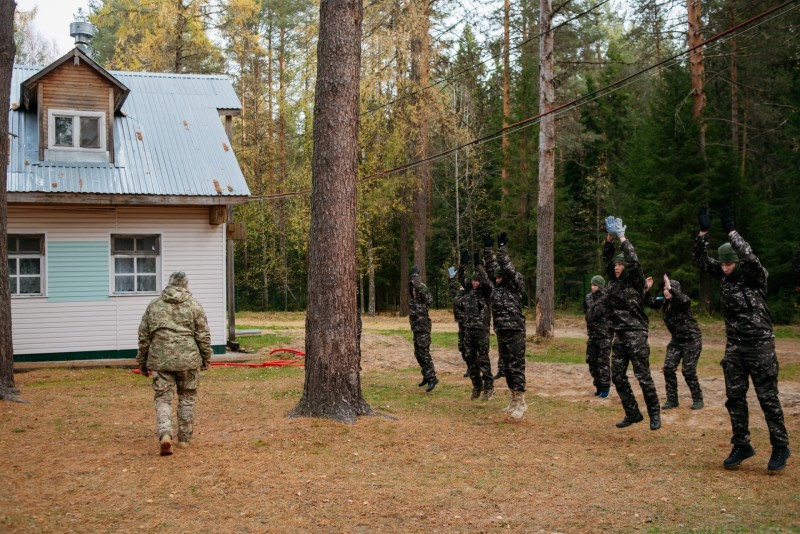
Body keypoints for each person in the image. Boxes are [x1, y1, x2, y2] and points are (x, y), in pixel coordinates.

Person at [694, 206, 790, 472]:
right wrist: (703, 233)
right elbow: (702, 261)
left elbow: (750, 256)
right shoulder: (724, 277)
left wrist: (732, 232)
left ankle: (780, 446)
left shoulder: (755, 277)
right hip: (735, 348)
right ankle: (742, 444)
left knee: (767, 398)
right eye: (723, 263)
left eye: (729, 263)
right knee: (734, 398)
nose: (724, 268)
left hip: (760, 346)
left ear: (737, 262)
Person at [136, 272, 212, 456]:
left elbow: (144, 336)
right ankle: (184, 439)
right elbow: (203, 335)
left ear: (169, 285)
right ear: (185, 285)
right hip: (188, 359)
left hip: (160, 359)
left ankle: (165, 434)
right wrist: (205, 358)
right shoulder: (194, 306)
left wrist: (142, 361)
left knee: (163, 398)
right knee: (187, 398)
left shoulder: (154, 306)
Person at [602, 216, 661, 430]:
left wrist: (622, 238)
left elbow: (634, 262)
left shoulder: (636, 281)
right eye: (616, 265)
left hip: (636, 333)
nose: (617, 267)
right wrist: (609, 239)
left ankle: (654, 414)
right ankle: (633, 413)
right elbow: (606, 260)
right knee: (617, 376)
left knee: (642, 376)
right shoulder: (613, 281)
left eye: (620, 264)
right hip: (620, 334)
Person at [484, 232, 528, 419]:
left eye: (500, 277)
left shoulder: (516, 285)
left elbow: (506, 268)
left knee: (516, 366)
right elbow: (492, 268)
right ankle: (514, 399)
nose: (497, 278)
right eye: (497, 277)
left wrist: (502, 249)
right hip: (501, 330)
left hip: (515, 330)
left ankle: (522, 401)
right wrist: (488, 250)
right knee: (507, 367)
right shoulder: (497, 288)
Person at [644, 274, 704, 411]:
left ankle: (698, 399)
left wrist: (671, 288)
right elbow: (649, 302)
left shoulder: (682, 302)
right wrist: (646, 289)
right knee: (668, 368)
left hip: (692, 340)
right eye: (664, 289)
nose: (665, 291)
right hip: (676, 341)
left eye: (668, 289)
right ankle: (672, 400)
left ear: (675, 290)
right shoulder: (663, 301)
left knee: (688, 371)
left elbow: (684, 300)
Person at [457, 251, 494, 401]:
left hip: (481, 330)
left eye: (476, 281)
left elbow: (486, 280)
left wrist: (479, 265)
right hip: (469, 329)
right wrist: (462, 265)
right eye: (473, 281)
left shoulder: (486, 291)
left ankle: (489, 387)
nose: (474, 283)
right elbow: (461, 278)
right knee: (470, 358)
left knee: (483, 359)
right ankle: (477, 385)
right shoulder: (470, 290)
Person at [409, 265, 438, 392]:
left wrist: (416, 277)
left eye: (416, 291)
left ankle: (432, 378)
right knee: (418, 353)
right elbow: (412, 287)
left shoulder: (424, 299)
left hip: (423, 329)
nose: (414, 292)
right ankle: (426, 375)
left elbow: (420, 289)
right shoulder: (414, 300)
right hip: (416, 329)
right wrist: (412, 279)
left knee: (424, 354)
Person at [584, 275, 613, 398]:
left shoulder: (606, 297)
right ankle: (598, 386)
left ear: (600, 286)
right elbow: (587, 313)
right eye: (592, 284)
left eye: (595, 285)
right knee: (591, 361)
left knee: (603, 362)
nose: (592, 287)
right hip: (592, 335)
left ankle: (606, 388)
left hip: (605, 335)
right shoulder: (588, 297)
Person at [448, 265, 469, 377]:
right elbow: (452, 289)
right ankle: (471, 366)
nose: (461, 286)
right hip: (461, 324)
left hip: (469, 324)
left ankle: (473, 367)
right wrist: (451, 278)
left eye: (462, 284)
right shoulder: (458, 294)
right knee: (462, 346)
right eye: (460, 284)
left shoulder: (470, 294)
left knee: (469, 347)